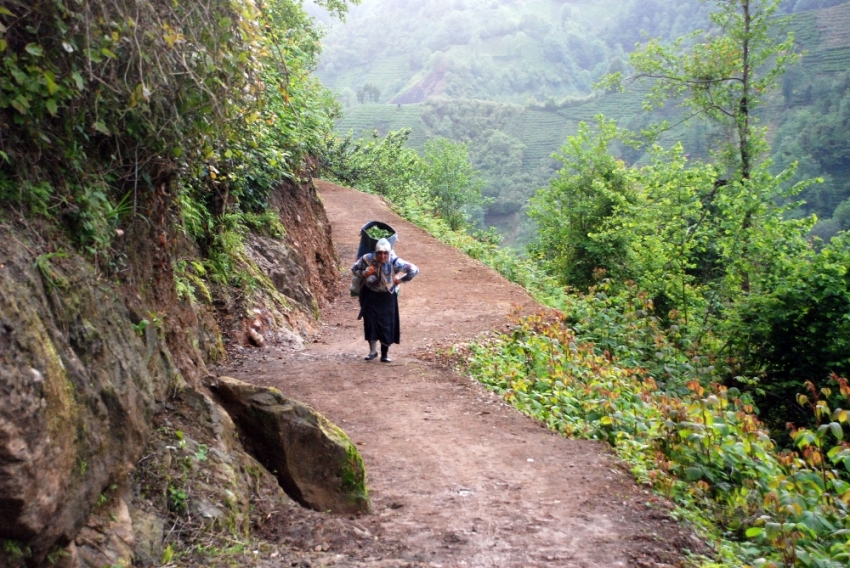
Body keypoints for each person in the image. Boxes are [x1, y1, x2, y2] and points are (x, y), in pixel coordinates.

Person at [351, 238, 419, 362]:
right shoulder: (367, 259)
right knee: (370, 322)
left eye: (385, 253)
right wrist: (364, 273)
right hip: (370, 295)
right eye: (379, 253)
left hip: (387, 296)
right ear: (375, 252)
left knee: (387, 324)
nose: (382, 256)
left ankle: (384, 354)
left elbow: (414, 270)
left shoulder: (395, 262)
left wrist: (401, 280)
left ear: (389, 253)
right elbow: (354, 269)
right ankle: (372, 351)